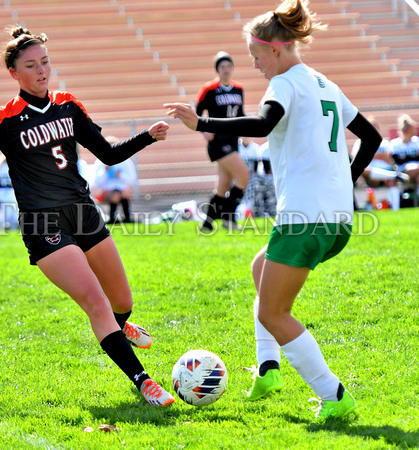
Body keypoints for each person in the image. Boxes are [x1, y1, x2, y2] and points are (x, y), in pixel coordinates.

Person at [0, 26, 174, 407]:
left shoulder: (68, 105)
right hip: (42, 224)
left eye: (45, 62)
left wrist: (147, 135)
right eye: (31, 65)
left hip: (82, 211)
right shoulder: (4, 119)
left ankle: (120, 324)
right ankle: (143, 381)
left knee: (121, 300)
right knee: (95, 300)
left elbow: (107, 155)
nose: (42, 71)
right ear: (14, 73)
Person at [165, 0, 382, 420]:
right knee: (260, 268)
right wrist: (344, 180)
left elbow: (263, 125)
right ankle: (268, 370)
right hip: (336, 218)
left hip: (305, 219)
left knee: (273, 312)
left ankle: (334, 396)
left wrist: (202, 124)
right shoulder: (324, 83)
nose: (255, 64)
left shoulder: (284, 83)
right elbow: (370, 137)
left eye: (256, 56)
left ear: (277, 50)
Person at [195, 51, 250, 231]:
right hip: (218, 140)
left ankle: (208, 223)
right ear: (217, 69)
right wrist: (203, 130)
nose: (226, 70)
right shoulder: (209, 89)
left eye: (228, 66)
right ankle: (229, 215)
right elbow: (197, 112)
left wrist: (245, 133)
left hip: (233, 139)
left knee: (224, 185)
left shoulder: (238, 88)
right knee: (244, 175)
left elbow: (240, 114)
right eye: (222, 67)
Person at [350, 116, 408, 210]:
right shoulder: (358, 143)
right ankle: (395, 175)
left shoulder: (385, 142)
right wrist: (377, 156)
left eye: (375, 126)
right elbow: (357, 160)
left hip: (385, 172)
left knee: (390, 182)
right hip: (370, 175)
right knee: (364, 169)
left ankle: (395, 210)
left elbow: (388, 158)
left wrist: (371, 156)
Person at [92, 136, 137, 224]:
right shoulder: (100, 162)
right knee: (114, 195)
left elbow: (131, 180)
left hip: (122, 188)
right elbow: (97, 182)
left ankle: (127, 217)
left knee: (122, 192)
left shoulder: (125, 161)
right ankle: (113, 218)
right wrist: (105, 171)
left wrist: (120, 175)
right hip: (107, 190)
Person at [389, 114, 419, 205]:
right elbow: (399, 161)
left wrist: (407, 157)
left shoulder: (417, 141)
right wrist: (413, 157)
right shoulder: (395, 144)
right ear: (407, 130)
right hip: (403, 173)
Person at [0, 154, 19, 231]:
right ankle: (12, 223)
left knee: (9, 208)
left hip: (0, 192)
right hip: (10, 191)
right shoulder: (16, 162)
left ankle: (4, 223)